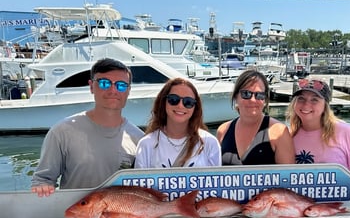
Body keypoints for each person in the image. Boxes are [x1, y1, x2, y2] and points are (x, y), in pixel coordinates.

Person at [31, 58, 144, 197]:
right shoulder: (62, 132)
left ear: (128, 90)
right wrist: (43, 187)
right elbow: (42, 179)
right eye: (104, 83)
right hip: (73, 216)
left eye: (121, 85)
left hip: (120, 217)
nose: (113, 90)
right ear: (91, 86)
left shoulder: (140, 139)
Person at [135, 78, 221, 168]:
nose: (180, 105)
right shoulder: (146, 144)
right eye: (173, 99)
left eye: (188, 102)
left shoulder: (210, 143)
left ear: (195, 107)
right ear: (163, 102)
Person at [217, 69, 295, 165]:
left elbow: (287, 176)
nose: (253, 100)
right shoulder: (223, 130)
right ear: (236, 97)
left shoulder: (279, 132)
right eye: (246, 94)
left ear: (265, 100)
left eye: (259, 95)